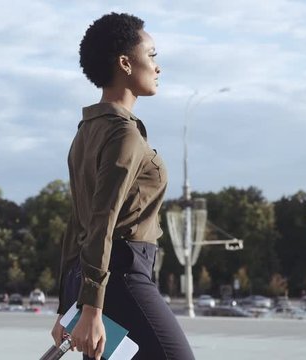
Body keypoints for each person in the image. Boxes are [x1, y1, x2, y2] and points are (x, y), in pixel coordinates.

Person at [51, 13, 194, 360]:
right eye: (152, 55)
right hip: (121, 277)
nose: (158, 67)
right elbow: (101, 221)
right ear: (126, 63)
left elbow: (77, 224)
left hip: (95, 283)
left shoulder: (86, 131)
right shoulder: (123, 134)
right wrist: (90, 311)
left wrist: (67, 303)